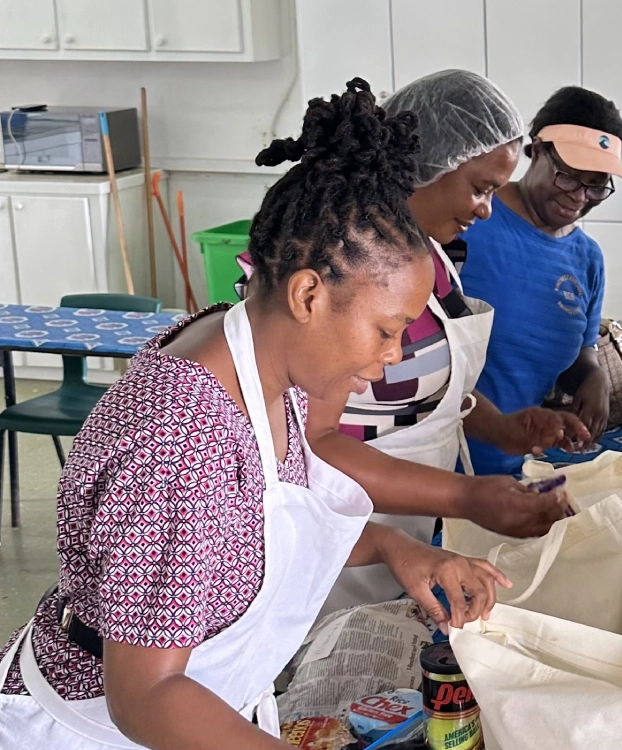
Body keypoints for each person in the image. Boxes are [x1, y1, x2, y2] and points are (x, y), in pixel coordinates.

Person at [0, 79, 508, 750]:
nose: (390, 358)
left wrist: (395, 546)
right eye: (387, 330)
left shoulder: (259, 360)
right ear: (307, 294)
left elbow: (252, 537)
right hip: (96, 730)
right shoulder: (179, 444)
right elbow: (146, 694)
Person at [237, 70, 588, 616]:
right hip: (337, 543)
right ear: (429, 165)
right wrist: (465, 498)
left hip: (401, 536)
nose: (487, 209)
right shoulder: (346, 274)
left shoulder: (432, 261)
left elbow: (419, 394)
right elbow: (315, 441)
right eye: (480, 187)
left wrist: (502, 426)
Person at [458, 86, 622, 476]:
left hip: (506, 473)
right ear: (535, 150)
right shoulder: (467, 219)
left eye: (597, 185)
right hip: (427, 470)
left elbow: (577, 351)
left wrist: (592, 375)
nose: (580, 197)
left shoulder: (586, 258)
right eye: (568, 177)